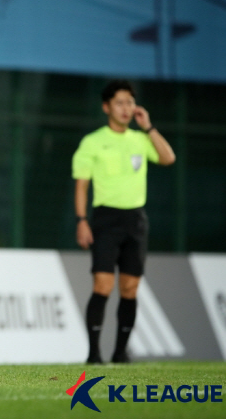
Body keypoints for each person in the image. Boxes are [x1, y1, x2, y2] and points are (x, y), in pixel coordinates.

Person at [72, 79, 175, 364]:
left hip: (135, 220)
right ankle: (94, 354)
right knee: (103, 284)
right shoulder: (92, 142)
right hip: (105, 218)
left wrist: (149, 127)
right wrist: (82, 220)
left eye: (130, 102)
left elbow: (168, 158)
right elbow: (81, 185)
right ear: (106, 107)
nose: (126, 108)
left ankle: (121, 353)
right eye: (119, 103)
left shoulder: (141, 140)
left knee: (130, 288)